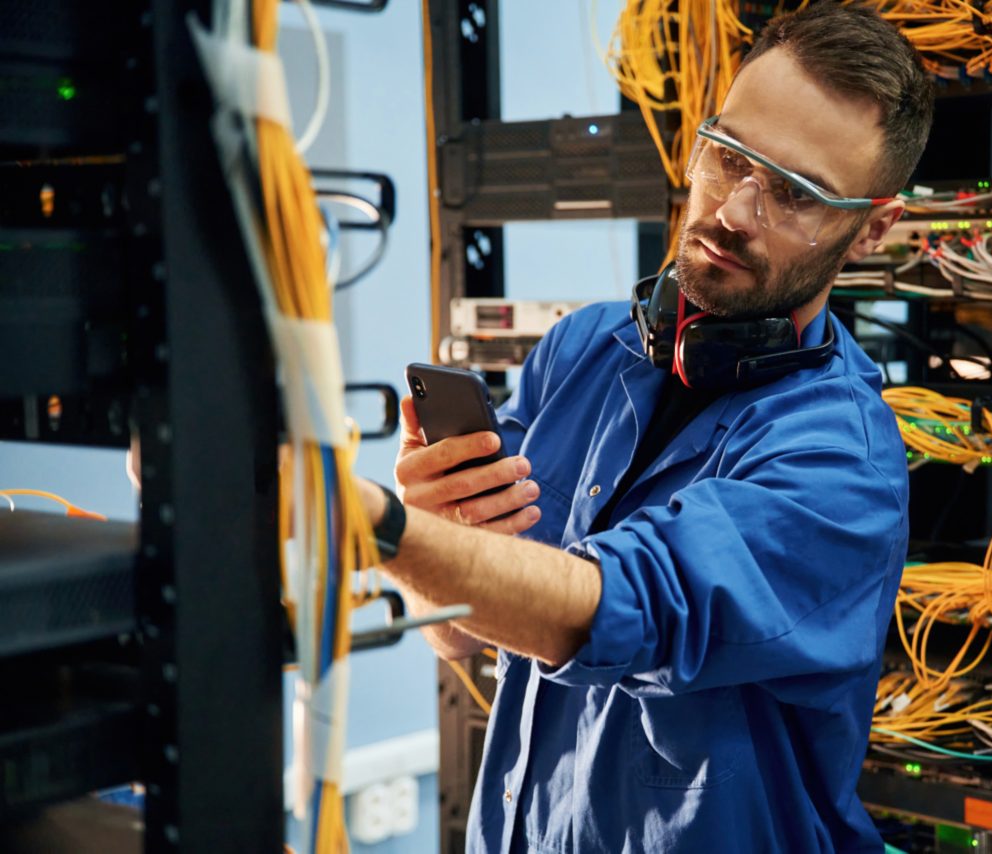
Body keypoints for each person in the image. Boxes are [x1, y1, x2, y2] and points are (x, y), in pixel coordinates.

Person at [357, 4, 934, 850]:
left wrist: (373, 522)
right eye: (728, 156)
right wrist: (435, 542)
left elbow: (616, 607)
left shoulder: (842, 461)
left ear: (873, 226)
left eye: (792, 192)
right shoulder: (585, 347)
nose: (735, 208)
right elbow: (457, 633)